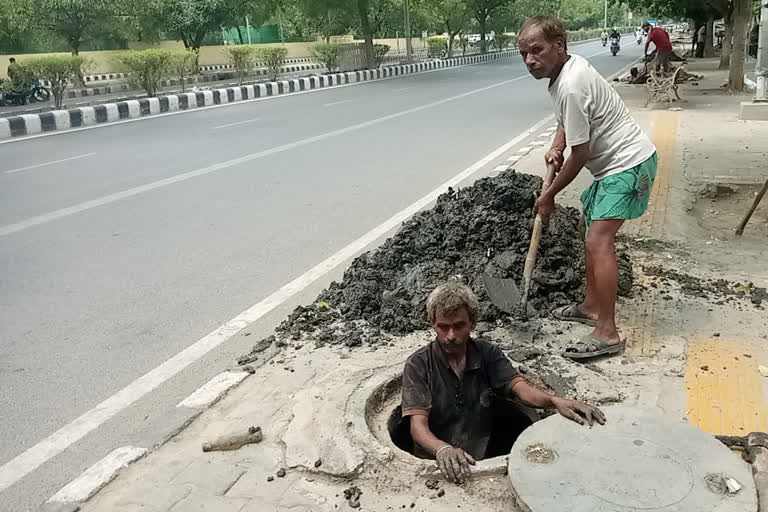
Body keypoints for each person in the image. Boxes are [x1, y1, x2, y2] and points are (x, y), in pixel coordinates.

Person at [518, 16, 657, 360]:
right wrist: (555, 145)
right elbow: (569, 123)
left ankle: (608, 332)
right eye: (523, 54)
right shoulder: (565, 73)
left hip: (628, 165)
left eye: (537, 50)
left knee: (599, 240)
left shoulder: (572, 84)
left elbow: (580, 153)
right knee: (589, 233)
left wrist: (548, 195)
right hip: (611, 169)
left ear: (559, 45)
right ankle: (592, 306)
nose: (530, 60)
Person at [401, 281, 605, 484]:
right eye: (443, 327)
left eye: (459, 326)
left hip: (479, 453)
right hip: (436, 462)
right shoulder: (418, 364)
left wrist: (554, 400)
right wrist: (442, 449)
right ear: (432, 324)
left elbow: (521, 389)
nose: (451, 336)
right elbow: (417, 427)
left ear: (472, 322)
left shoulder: (487, 354)